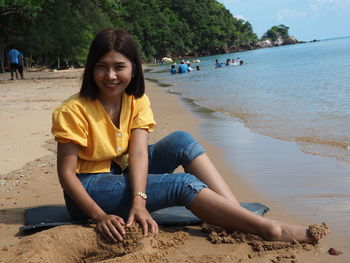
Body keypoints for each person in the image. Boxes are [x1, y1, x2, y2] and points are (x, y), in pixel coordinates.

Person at [51, 29, 327, 244]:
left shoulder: (135, 100)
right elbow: (66, 174)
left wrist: (139, 200)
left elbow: (137, 154)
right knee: (182, 184)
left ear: (133, 68)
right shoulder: (73, 110)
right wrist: (99, 216)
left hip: (118, 172)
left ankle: (232, 213)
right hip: (88, 191)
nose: (110, 75)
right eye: (102, 66)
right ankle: (271, 230)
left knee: (181, 140)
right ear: (91, 68)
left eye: (119, 66)